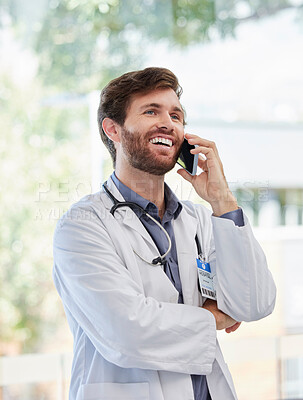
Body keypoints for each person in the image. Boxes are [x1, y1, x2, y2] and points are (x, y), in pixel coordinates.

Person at [53, 67, 276, 400]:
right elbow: (127, 331)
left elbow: (255, 303)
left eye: (176, 115)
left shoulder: (200, 219)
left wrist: (221, 198)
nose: (168, 123)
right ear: (113, 129)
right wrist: (211, 317)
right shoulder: (82, 225)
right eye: (150, 111)